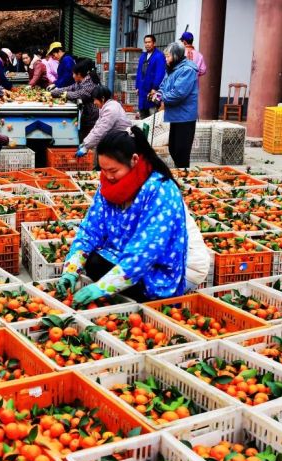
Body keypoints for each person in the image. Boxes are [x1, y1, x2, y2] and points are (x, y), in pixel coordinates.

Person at [56, 128, 188, 304]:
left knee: (104, 270)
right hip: (120, 260)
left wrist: (102, 287)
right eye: (103, 170)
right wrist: (71, 269)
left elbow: (146, 251)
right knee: (92, 260)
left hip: (152, 273)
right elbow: (90, 231)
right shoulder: (108, 188)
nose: (108, 176)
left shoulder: (159, 189)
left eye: (114, 170)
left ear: (134, 160)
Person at [151, 42, 198, 168]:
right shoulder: (172, 69)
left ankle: (184, 177)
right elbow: (163, 86)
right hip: (175, 115)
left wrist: (161, 98)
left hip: (185, 117)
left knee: (181, 152)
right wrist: (157, 95)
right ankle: (180, 173)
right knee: (173, 148)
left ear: (176, 56)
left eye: (168, 56)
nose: (166, 59)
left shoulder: (187, 70)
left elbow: (178, 94)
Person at [76, 85, 132, 159]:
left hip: (121, 143)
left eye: (95, 99)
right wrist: (85, 142)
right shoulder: (105, 106)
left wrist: (86, 146)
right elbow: (97, 126)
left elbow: (101, 130)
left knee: (100, 147)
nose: (94, 102)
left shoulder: (111, 109)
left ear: (102, 98)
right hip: (116, 139)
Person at [50, 59, 100, 142]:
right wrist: (53, 92)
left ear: (79, 74)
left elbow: (81, 94)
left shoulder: (89, 82)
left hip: (91, 117)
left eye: (73, 74)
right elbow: (69, 88)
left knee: (88, 139)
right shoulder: (79, 82)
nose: (72, 76)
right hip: (85, 115)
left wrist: (67, 94)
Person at [135, 34, 166, 119]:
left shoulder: (159, 56)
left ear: (154, 43)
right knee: (143, 115)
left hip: (154, 91)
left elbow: (160, 74)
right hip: (142, 89)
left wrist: (155, 88)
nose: (147, 44)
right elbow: (139, 72)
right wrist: (137, 87)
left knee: (153, 115)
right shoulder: (142, 56)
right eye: (145, 42)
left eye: (149, 42)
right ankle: (144, 133)